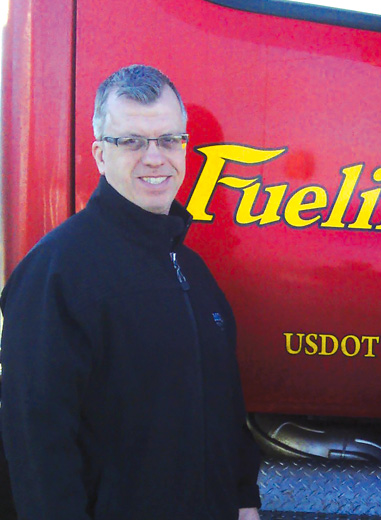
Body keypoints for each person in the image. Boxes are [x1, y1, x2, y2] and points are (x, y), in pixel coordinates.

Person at [0, 65, 262, 519]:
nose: (155, 157)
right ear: (101, 155)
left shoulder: (194, 272)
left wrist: (244, 501)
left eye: (168, 139)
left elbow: (225, 408)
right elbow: (37, 447)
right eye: (132, 142)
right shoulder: (56, 274)